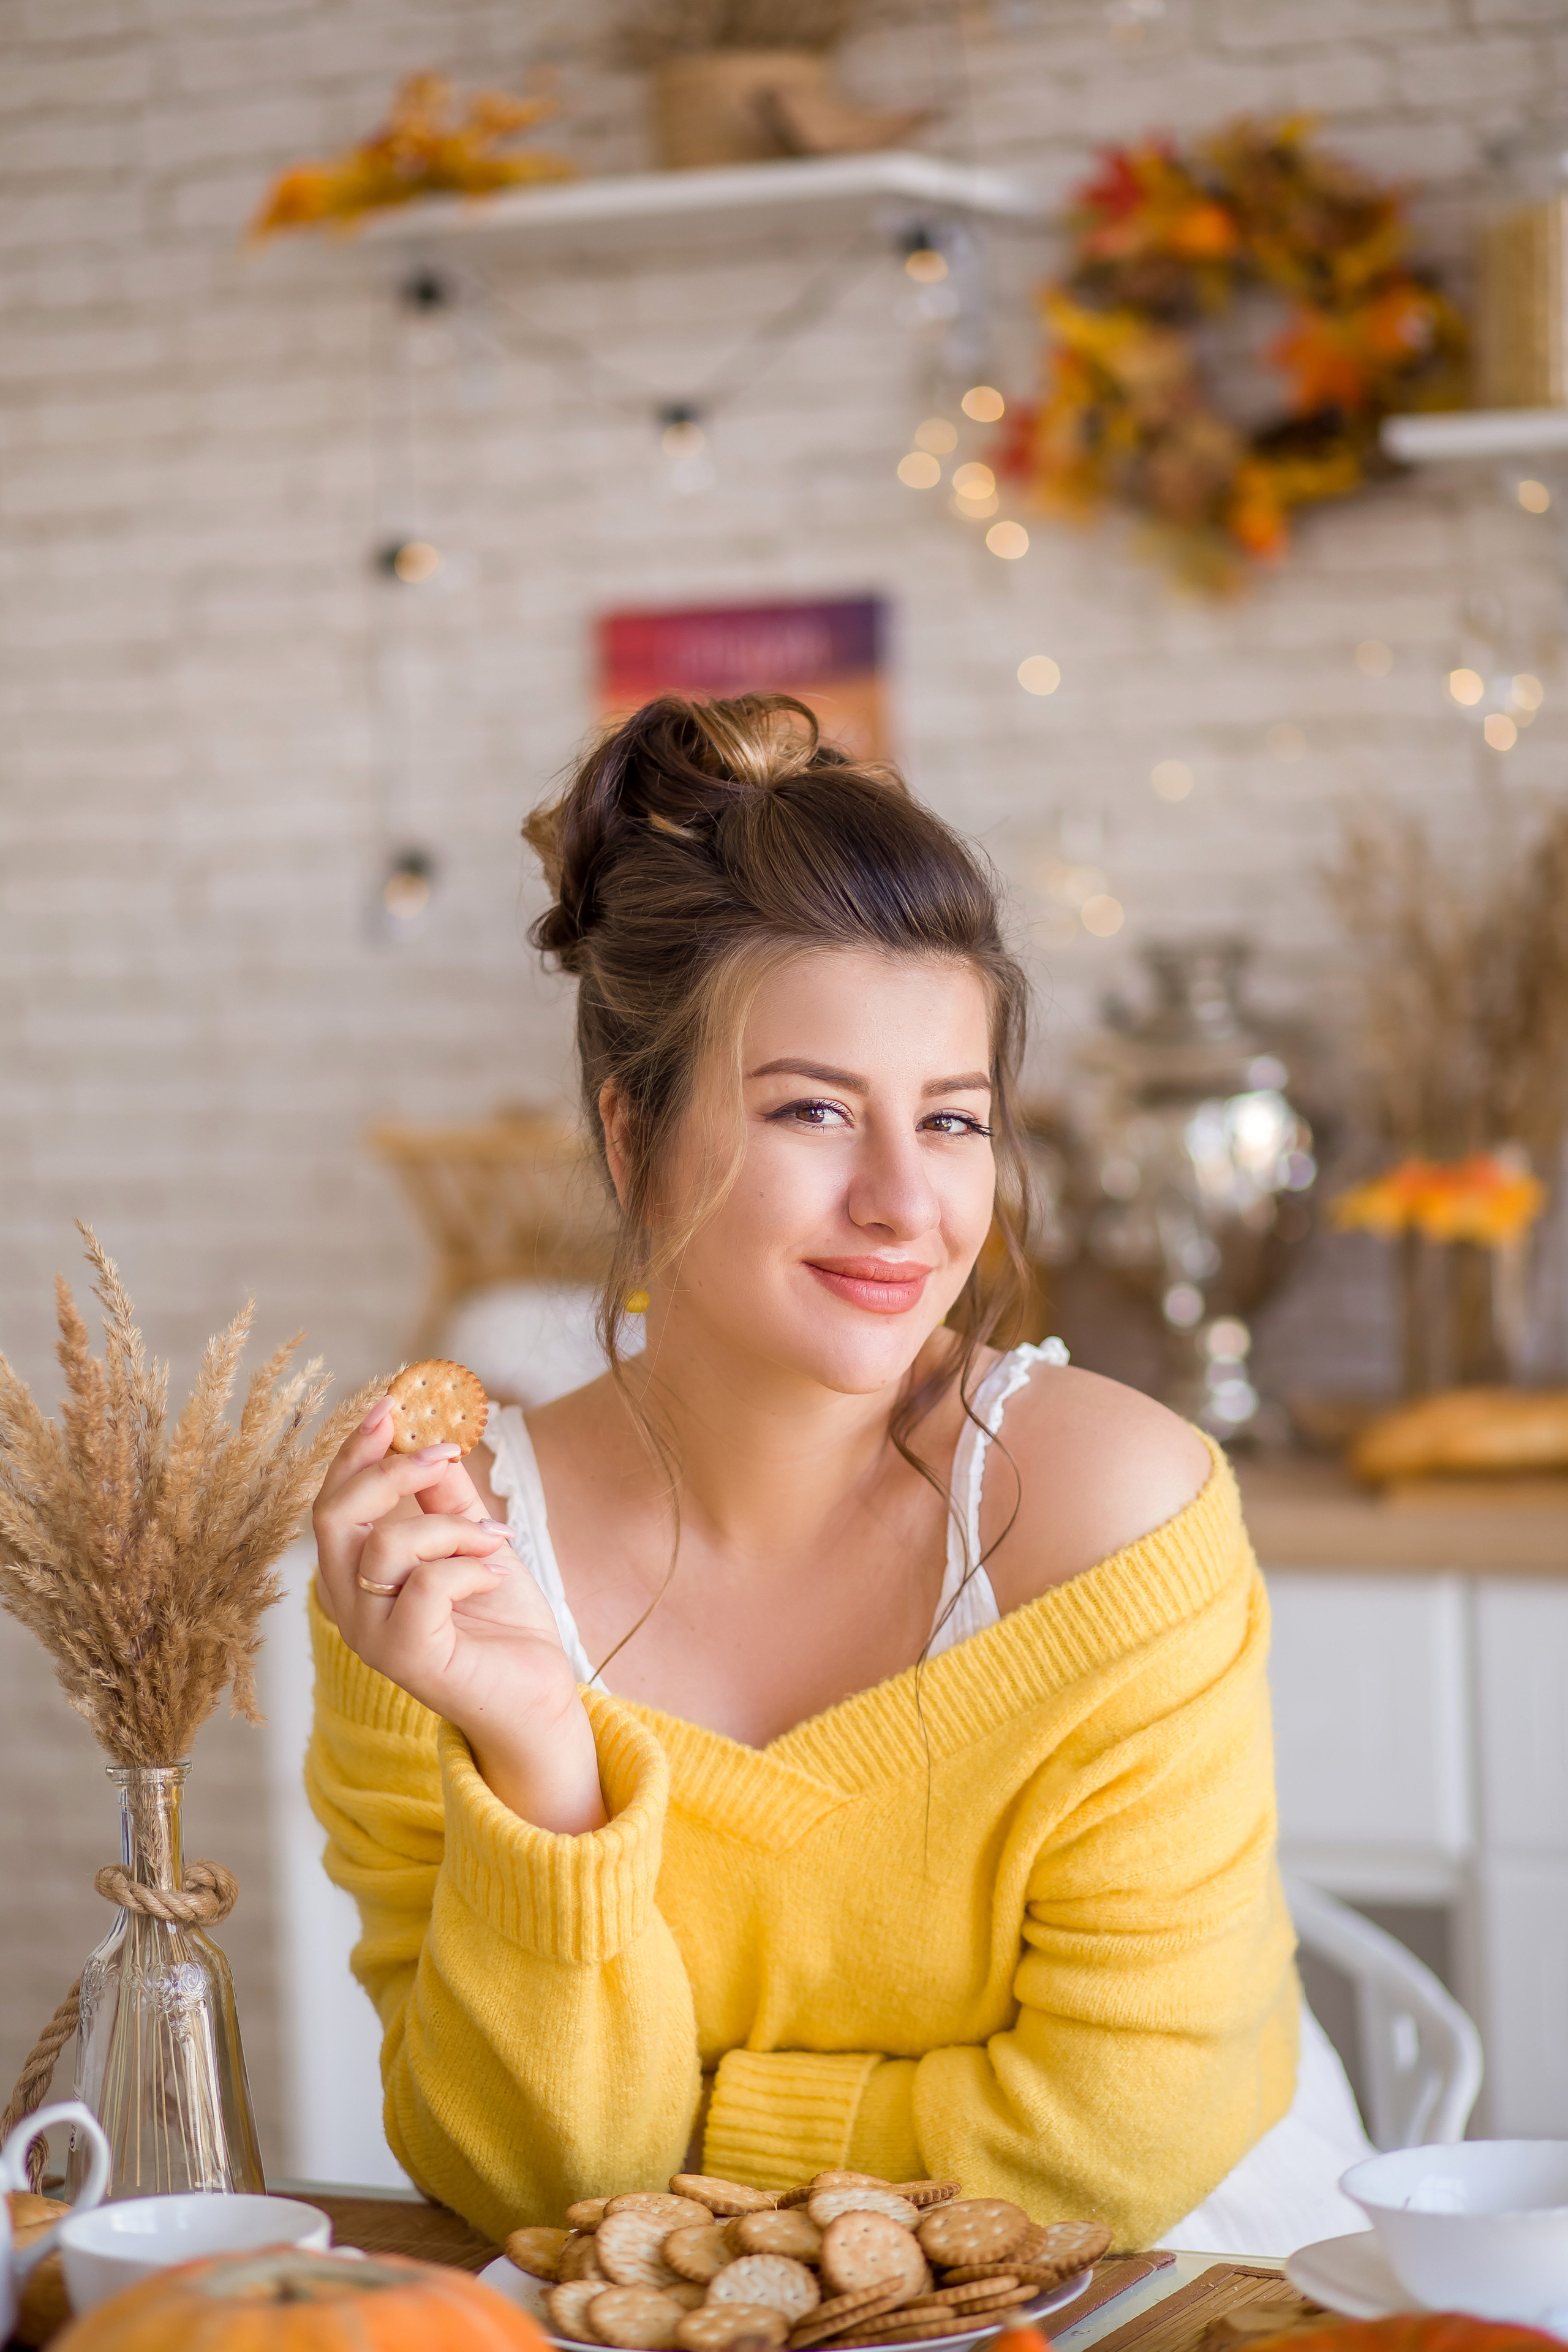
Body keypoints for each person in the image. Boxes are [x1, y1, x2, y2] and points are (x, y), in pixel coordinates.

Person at [308, 694, 1368, 2255]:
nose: (901, 1204)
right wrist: (539, 1761)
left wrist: (690, 2137)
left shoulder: (1115, 1516)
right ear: (629, 1136)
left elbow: (1112, 2144)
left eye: (950, 1120)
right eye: (810, 1110)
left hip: (1174, 2283)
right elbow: (526, 2178)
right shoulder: (443, 1576)